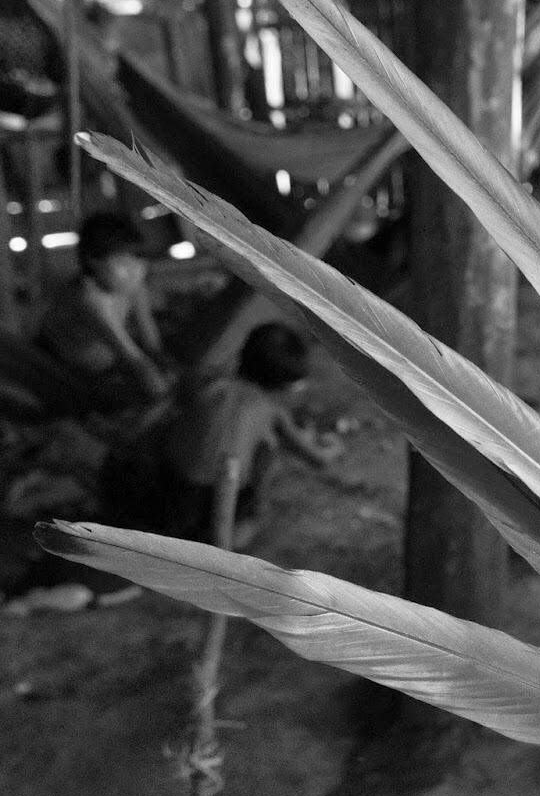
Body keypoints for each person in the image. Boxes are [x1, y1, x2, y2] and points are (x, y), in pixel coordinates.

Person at [106, 322, 338, 546]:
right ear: (285, 385)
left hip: (151, 478)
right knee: (267, 451)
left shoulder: (205, 380)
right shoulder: (269, 413)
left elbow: (157, 415)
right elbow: (228, 478)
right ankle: (238, 528)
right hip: (189, 510)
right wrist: (223, 554)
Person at [34, 210, 173, 418]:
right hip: (59, 366)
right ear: (93, 261)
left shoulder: (133, 283)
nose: (135, 271)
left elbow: (149, 336)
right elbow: (131, 356)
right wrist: (164, 394)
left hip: (106, 365)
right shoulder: (88, 299)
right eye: (122, 263)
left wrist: (163, 365)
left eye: (138, 260)